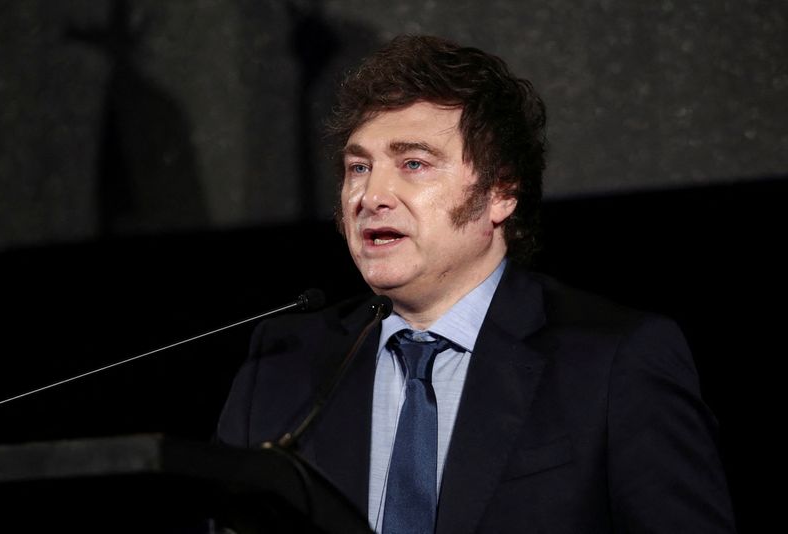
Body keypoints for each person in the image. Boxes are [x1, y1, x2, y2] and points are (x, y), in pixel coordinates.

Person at [216, 35, 737, 533]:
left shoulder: (614, 363)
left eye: (413, 163)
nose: (371, 194)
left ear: (501, 193)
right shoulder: (280, 367)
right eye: (358, 167)